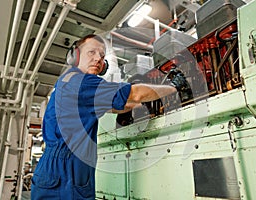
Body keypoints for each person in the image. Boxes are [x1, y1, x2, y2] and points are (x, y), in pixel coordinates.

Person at [31, 34, 188, 199]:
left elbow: (114, 107)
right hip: (65, 173)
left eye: (102, 55)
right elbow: (134, 94)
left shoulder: (70, 82)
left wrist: (142, 104)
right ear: (75, 56)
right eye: (91, 52)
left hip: (59, 171)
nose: (98, 58)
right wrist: (173, 87)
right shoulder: (80, 82)